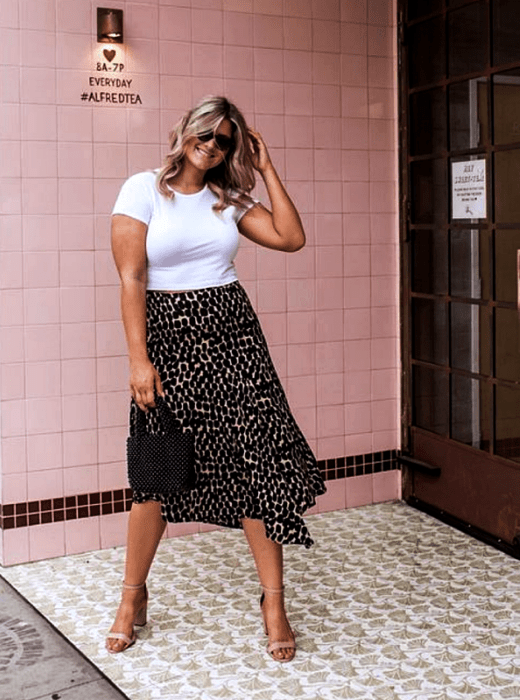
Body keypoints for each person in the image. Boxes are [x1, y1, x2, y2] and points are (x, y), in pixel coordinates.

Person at [107, 95, 326, 662]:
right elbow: (131, 277)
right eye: (205, 133)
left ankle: (273, 603)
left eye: (224, 140)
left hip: (233, 339)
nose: (211, 145)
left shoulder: (229, 199)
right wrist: (139, 358)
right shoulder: (141, 190)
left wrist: (267, 167)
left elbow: (290, 237)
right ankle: (132, 598)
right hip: (168, 342)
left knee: (254, 463)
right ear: (184, 130)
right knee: (157, 471)